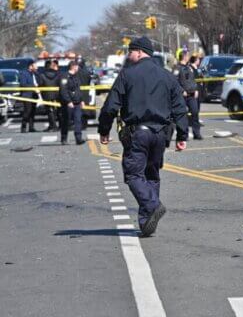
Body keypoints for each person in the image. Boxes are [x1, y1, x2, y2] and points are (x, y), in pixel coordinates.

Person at [98, 37, 188, 238]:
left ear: (139, 52)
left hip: (137, 133)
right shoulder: (167, 76)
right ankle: (147, 222)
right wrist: (182, 135)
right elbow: (180, 108)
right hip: (160, 134)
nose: (128, 55)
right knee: (152, 175)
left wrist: (104, 130)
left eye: (130, 51)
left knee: (133, 175)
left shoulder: (127, 75)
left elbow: (111, 105)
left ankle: (152, 204)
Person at [174, 50, 202, 140]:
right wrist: (182, 91)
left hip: (192, 94)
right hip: (182, 95)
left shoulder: (189, 68)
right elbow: (174, 81)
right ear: (184, 57)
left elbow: (192, 80)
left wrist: (196, 89)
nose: (189, 57)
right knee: (183, 116)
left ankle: (196, 133)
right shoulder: (177, 68)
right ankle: (184, 135)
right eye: (187, 56)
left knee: (195, 112)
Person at [58, 61, 85, 145]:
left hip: (77, 102)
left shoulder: (77, 76)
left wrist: (81, 100)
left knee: (78, 120)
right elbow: (63, 90)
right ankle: (64, 138)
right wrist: (68, 101)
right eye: (77, 66)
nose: (78, 68)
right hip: (68, 103)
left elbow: (78, 90)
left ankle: (78, 138)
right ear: (73, 66)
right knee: (66, 121)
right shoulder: (64, 76)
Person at [19, 61, 39, 133]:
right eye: (35, 65)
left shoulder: (35, 74)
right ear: (30, 66)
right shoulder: (24, 74)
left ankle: (31, 127)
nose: (37, 67)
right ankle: (23, 127)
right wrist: (33, 86)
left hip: (34, 95)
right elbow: (23, 84)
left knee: (32, 112)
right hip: (27, 96)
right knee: (27, 111)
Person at [40, 60, 60, 132]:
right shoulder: (57, 74)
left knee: (49, 111)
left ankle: (53, 125)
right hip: (56, 95)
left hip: (46, 95)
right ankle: (53, 125)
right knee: (55, 111)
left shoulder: (42, 75)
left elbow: (40, 84)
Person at [76, 59, 92, 130]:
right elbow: (89, 81)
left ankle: (80, 124)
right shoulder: (87, 72)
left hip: (78, 92)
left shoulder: (76, 72)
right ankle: (85, 124)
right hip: (86, 92)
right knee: (85, 109)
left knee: (78, 109)